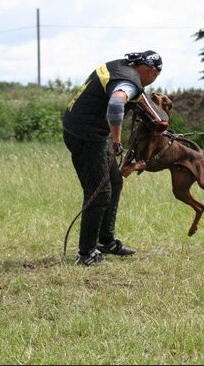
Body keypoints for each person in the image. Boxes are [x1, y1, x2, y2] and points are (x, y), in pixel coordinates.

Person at [62, 50, 163, 265]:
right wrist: (117, 141)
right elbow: (117, 104)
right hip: (86, 136)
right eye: (156, 75)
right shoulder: (130, 81)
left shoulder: (119, 67)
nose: (154, 79)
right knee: (99, 192)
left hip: (80, 128)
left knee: (115, 182)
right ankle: (86, 254)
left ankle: (104, 241)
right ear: (150, 70)